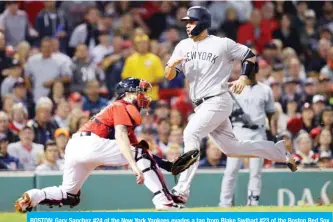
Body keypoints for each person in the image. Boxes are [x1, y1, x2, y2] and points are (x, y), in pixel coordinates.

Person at [164, 6, 297, 205]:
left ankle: (181, 191)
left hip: (217, 99)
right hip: (201, 105)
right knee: (232, 148)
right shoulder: (182, 46)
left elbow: (250, 55)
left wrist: (243, 78)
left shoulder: (221, 44)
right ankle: (279, 152)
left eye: (191, 21)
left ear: (202, 22)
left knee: (190, 133)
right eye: (186, 22)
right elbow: (169, 76)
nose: (188, 26)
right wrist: (170, 66)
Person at [15, 77, 190, 213]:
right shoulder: (121, 105)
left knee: (69, 195)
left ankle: (35, 196)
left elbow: (141, 152)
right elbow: (122, 138)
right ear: (128, 93)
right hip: (91, 144)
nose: (143, 95)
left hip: (76, 145)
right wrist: (134, 167)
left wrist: (167, 165)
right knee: (137, 154)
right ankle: (164, 200)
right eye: (140, 91)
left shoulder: (121, 109)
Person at [219, 70, 276, 207]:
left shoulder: (265, 89)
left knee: (255, 171)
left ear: (256, 71)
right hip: (239, 131)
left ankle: (253, 203)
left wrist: (272, 132)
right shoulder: (234, 87)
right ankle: (224, 203)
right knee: (231, 169)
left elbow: (270, 112)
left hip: (258, 131)